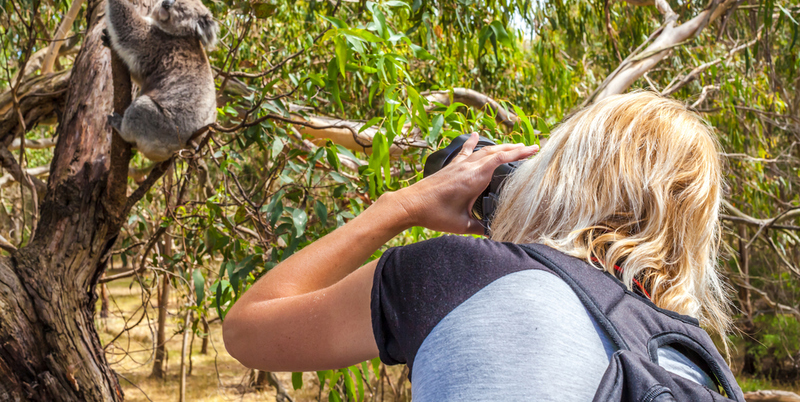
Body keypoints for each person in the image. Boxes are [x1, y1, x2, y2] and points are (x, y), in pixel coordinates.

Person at [223, 91, 736, 400]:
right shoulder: (699, 361)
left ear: (565, 173)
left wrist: (401, 206)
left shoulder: (460, 272)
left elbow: (249, 331)